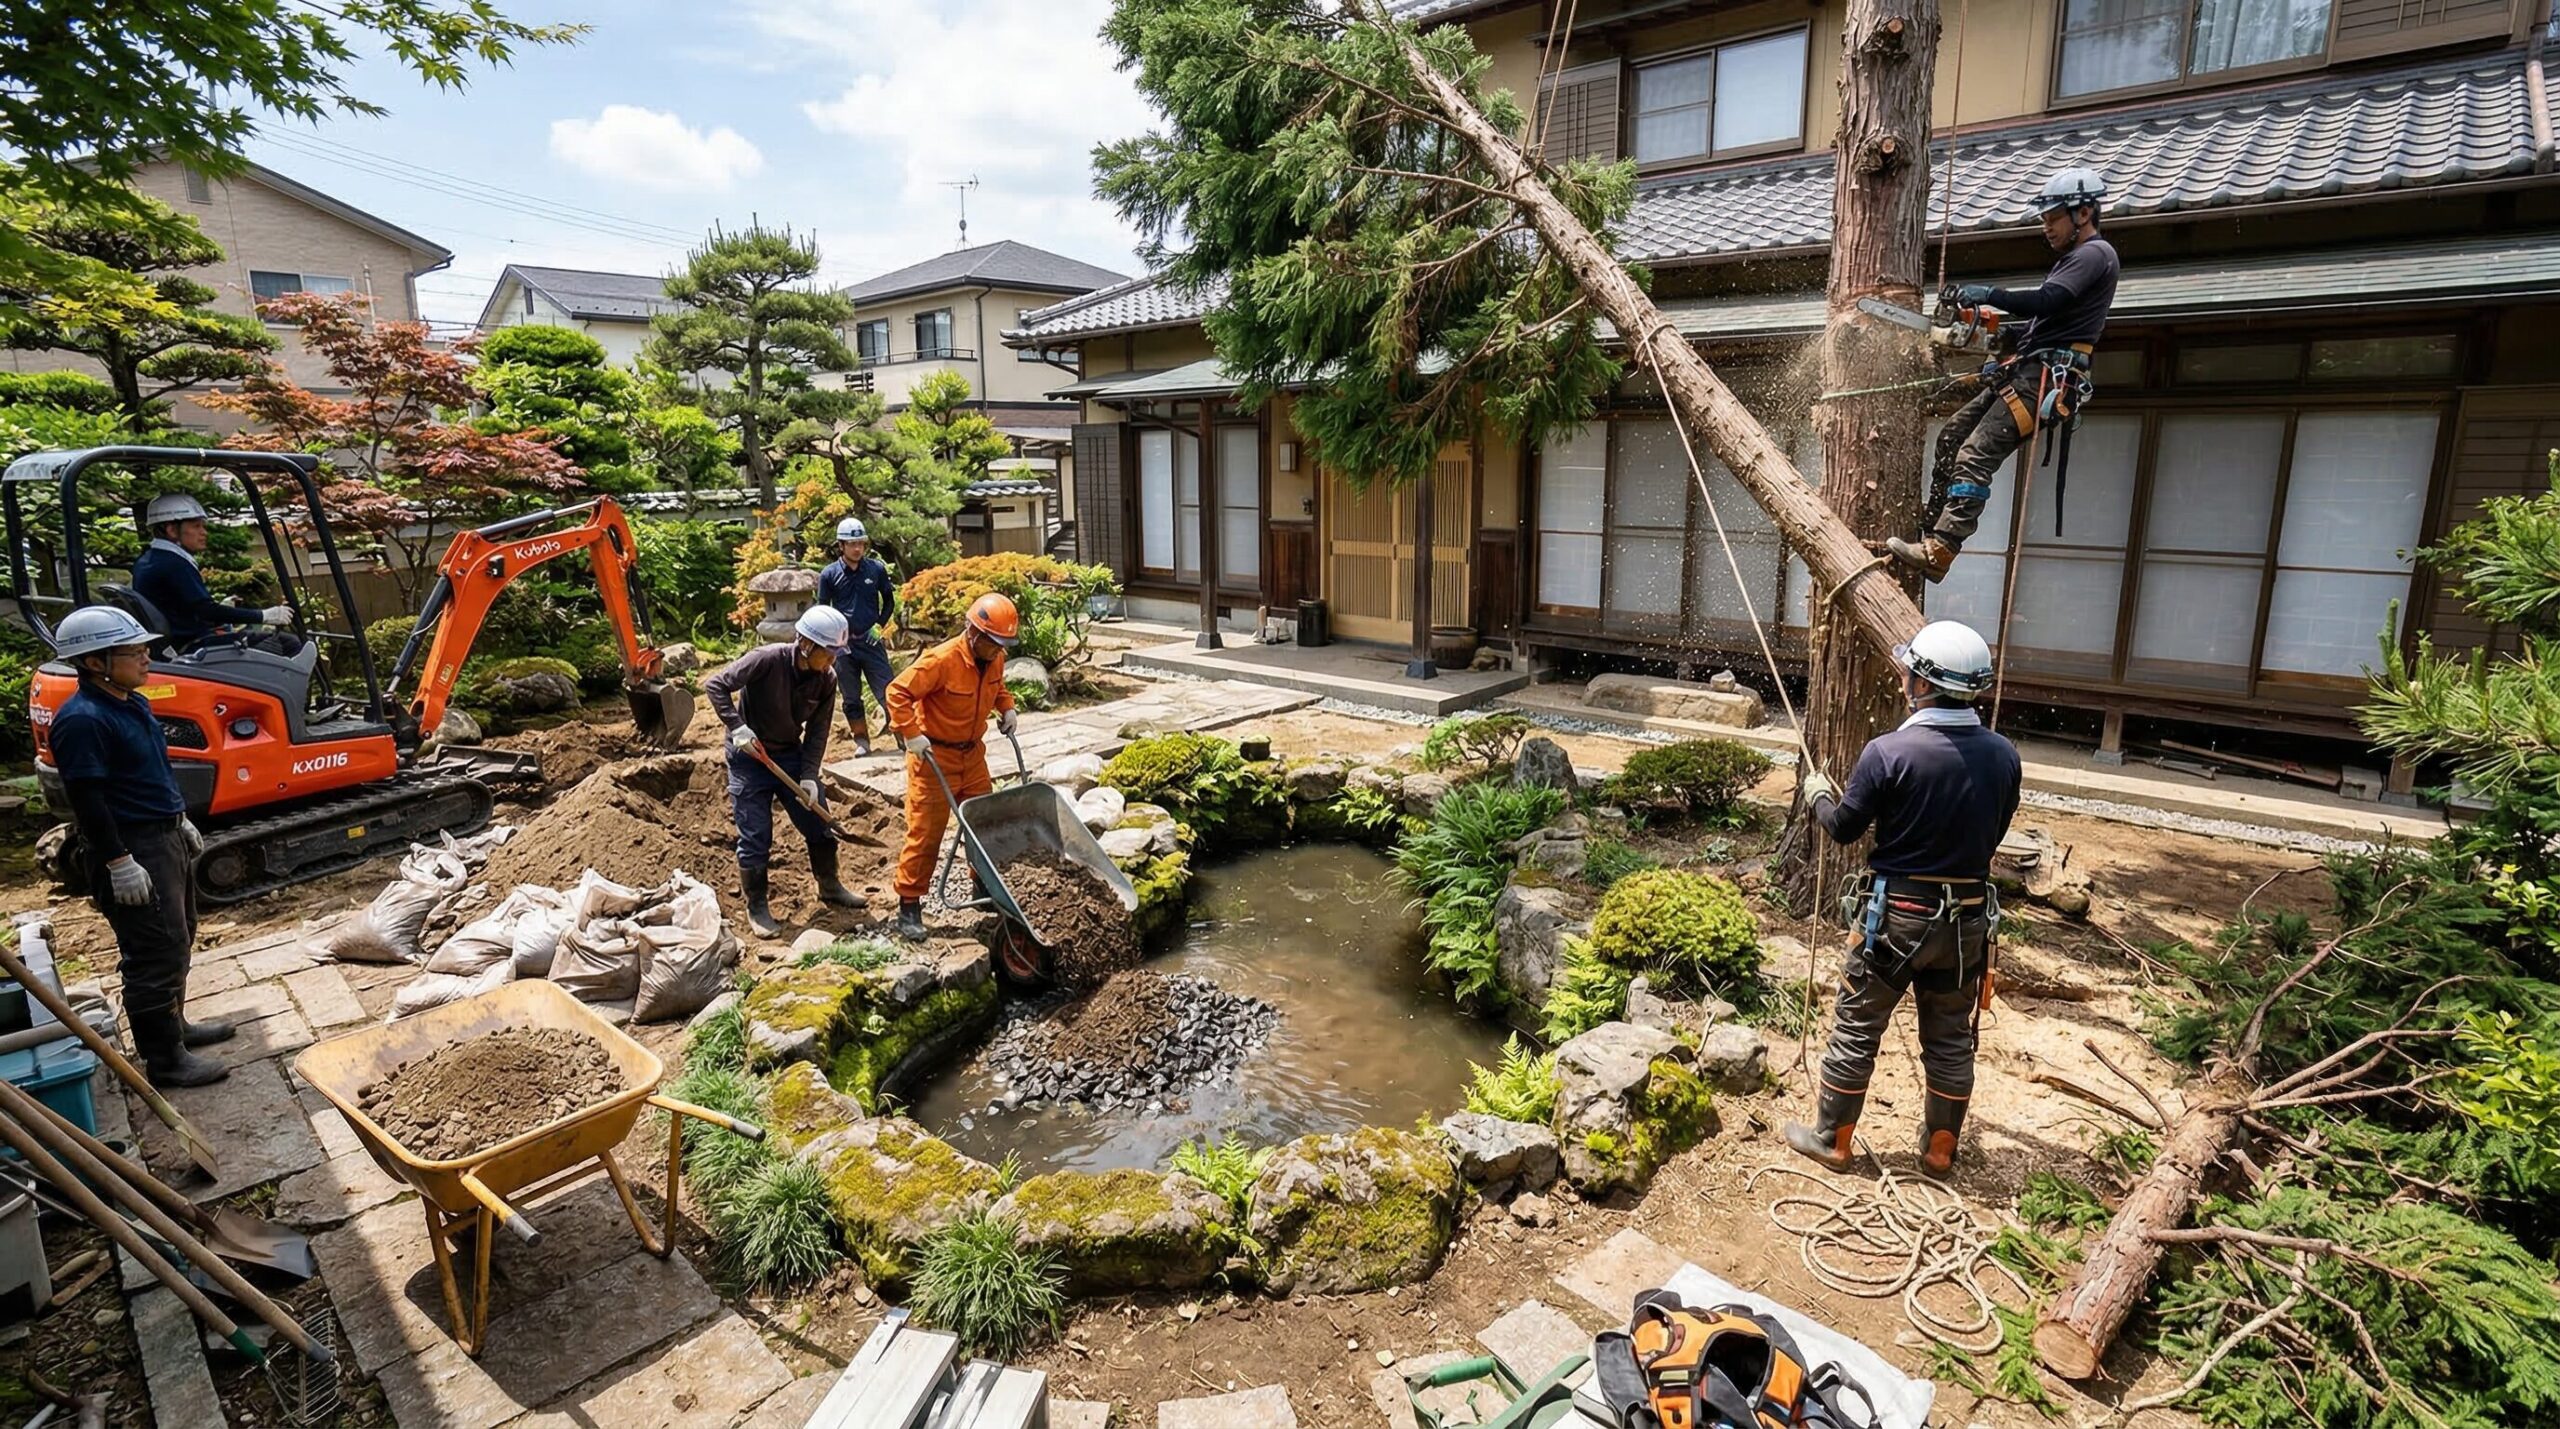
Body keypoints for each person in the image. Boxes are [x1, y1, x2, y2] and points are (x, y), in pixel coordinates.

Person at [1784, 620, 2022, 1180]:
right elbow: (1994, 834)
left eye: (1909, 671)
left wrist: (1820, 794)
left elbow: (1844, 828)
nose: (1903, 677)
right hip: (1965, 927)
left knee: (1858, 1026)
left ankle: (1832, 1141)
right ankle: (1940, 1152)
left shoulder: (1889, 751)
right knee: (1949, 1037)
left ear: (1923, 684)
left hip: (1896, 919)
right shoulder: (2003, 756)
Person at [1887, 168, 2120, 583]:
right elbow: (2035, 327)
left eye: (2053, 219)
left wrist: (1989, 294)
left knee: (1976, 452)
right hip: (2027, 370)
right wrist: (1988, 334)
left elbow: (2046, 302)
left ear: (2083, 213)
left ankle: (1942, 548)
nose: (2046, 228)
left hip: (2046, 380)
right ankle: (1930, 530)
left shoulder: (2094, 255)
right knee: (1953, 436)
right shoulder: (2072, 261)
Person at [43, 606, 234, 1087]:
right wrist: (118, 861)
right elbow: (87, 799)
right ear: (95, 662)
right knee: (153, 951)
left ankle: (177, 1027)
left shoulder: (132, 702)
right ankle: (164, 1059)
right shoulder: (83, 720)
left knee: (179, 935)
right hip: (132, 847)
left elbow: (150, 770)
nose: (147, 658)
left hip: (162, 834)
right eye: (134, 652)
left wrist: (179, 817)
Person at [705, 605, 863, 938]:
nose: (833, 661)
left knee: (818, 821)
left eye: (837, 654)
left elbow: (819, 731)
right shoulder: (766, 659)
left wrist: (808, 774)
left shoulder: (827, 679)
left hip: (789, 755)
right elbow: (716, 685)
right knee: (756, 834)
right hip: (750, 756)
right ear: (806, 645)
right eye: (829, 653)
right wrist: (737, 726)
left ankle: (830, 885)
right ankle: (757, 906)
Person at [884, 593, 1020, 942]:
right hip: (934, 758)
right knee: (926, 833)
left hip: (972, 755)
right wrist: (911, 734)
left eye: (1003, 644)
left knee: (982, 824)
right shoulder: (940, 661)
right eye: (994, 643)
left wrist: (1006, 708)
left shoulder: (996, 659)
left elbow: (998, 688)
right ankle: (910, 904)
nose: (998, 650)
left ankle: (981, 887)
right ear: (974, 633)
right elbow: (897, 692)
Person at [129, 493, 296, 653]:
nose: (204, 532)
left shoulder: (150, 560)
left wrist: (225, 610)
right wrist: (264, 615)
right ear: (172, 530)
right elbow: (206, 611)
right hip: (193, 646)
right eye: (196, 526)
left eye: (203, 526)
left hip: (178, 643)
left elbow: (187, 609)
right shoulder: (173, 564)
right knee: (288, 644)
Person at [817, 517, 898, 757]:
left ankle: (903, 735)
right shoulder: (829, 574)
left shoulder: (876, 569)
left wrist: (879, 625)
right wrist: (830, 640)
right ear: (841, 546)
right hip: (843, 645)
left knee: (888, 690)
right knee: (851, 696)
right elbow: (823, 608)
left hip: (870, 640)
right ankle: (861, 740)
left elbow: (889, 600)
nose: (857, 548)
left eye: (861, 544)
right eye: (851, 544)